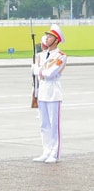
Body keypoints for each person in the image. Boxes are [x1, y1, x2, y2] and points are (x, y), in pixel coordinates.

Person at [32, 24, 67, 164]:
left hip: (53, 92)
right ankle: (46, 151)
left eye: (50, 36)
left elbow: (51, 73)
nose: (47, 38)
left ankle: (55, 153)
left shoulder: (61, 56)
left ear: (57, 40)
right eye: (47, 35)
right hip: (42, 92)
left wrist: (39, 71)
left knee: (54, 125)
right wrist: (40, 71)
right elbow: (34, 70)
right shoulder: (41, 55)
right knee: (44, 124)